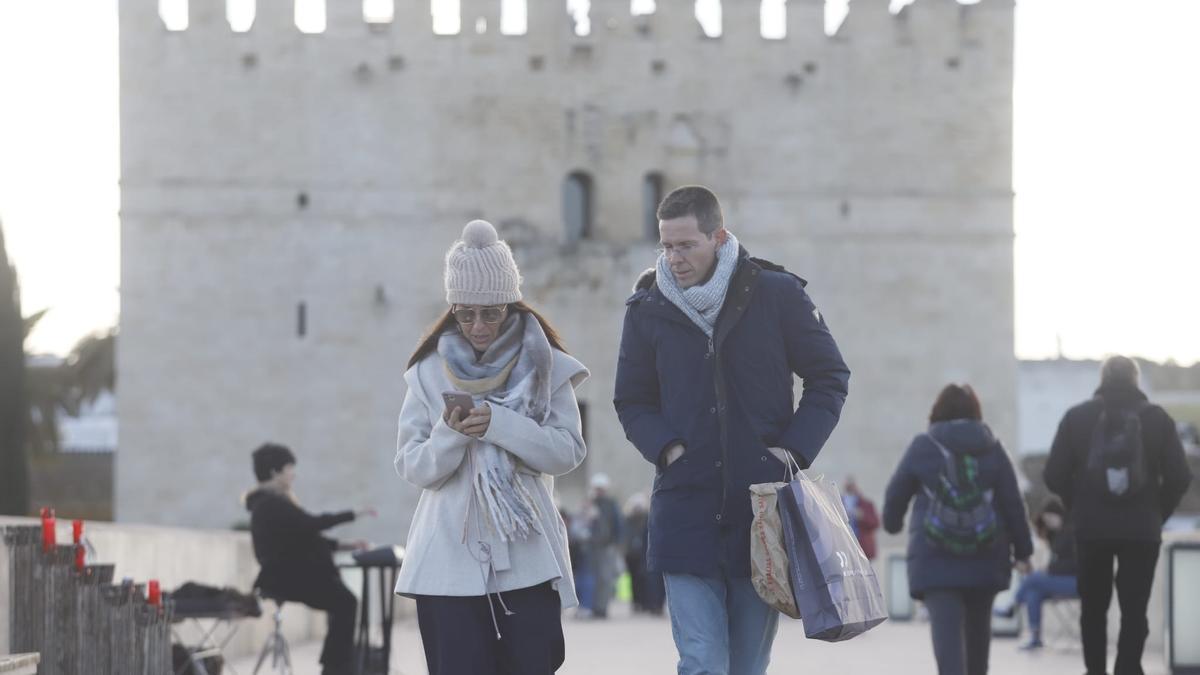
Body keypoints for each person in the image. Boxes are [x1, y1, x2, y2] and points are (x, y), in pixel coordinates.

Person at [614, 185, 850, 675]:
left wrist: (791, 452)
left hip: (760, 514)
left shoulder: (777, 294)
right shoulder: (646, 309)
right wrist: (667, 449)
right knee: (702, 662)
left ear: (718, 237)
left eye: (686, 245)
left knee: (746, 666)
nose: (674, 258)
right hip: (684, 508)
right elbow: (632, 400)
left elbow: (829, 377)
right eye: (666, 246)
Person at [393, 219, 589, 675]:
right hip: (446, 560)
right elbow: (413, 465)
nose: (478, 325)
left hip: (525, 557)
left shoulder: (549, 366)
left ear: (511, 304)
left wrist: (501, 425)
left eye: (491, 312)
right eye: (465, 313)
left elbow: (567, 451)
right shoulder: (425, 372)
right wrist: (453, 433)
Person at [1043, 356, 1193, 675]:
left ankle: (1095, 670)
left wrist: (1078, 504)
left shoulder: (1077, 418)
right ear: (1136, 381)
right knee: (1135, 609)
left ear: (1102, 379)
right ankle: (1127, 668)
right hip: (1141, 531)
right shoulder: (1157, 419)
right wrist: (1157, 512)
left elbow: (1053, 474)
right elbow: (1180, 477)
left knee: (1094, 609)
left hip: (1091, 530)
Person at [882, 384, 1033, 675]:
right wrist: (1024, 551)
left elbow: (894, 497)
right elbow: (1012, 503)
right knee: (978, 645)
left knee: (948, 648)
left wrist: (893, 523)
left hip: (935, 559)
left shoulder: (923, 446)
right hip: (986, 557)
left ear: (937, 412)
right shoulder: (993, 448)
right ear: (976, 412)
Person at [244, 443, 375, 675]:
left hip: (284, 575)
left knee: (343, 602)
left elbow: (303, 537)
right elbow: (312, 525)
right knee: (345, 602)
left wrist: (346, 544)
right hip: (285, 578)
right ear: (275, 472)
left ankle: (335, 665)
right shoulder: (272, 504)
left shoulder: (268, 503)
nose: (293, 474)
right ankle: (336, 667)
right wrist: (354, 513)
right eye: (289, 468)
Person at [994, 498, 1079, 650]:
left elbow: (1076, 564)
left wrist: (1051, 570)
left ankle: (1012, 607)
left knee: (1033, 579)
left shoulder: (1073, 532)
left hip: (1077, 581)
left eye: (1050, 519)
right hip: (1062, 579)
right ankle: (1035, 637)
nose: (1049, 523)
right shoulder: (1056, 535)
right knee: (1034, 592)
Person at [584, 473, 624, 619]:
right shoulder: (590, 503)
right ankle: (594, 607)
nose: (598, 491)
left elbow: (618, 525)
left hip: (607, 547)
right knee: (593, 578)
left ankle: (602, 608)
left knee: (605, 578)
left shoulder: (611, 504)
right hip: (592, 547)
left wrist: (617, 544)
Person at [623, 492, 665, 615]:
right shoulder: (629, 520)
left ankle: (653, 604)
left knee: (652, 581)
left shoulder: (648, 518)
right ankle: (641, 603)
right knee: (637, 580)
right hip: (634, 554)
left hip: (648, 554)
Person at [842, 475, 881, 560]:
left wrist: (862, 517)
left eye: (852, 485)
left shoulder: (866, 504)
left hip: (862, 547)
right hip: (844, 545)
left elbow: (876, 523)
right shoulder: (840, 501)